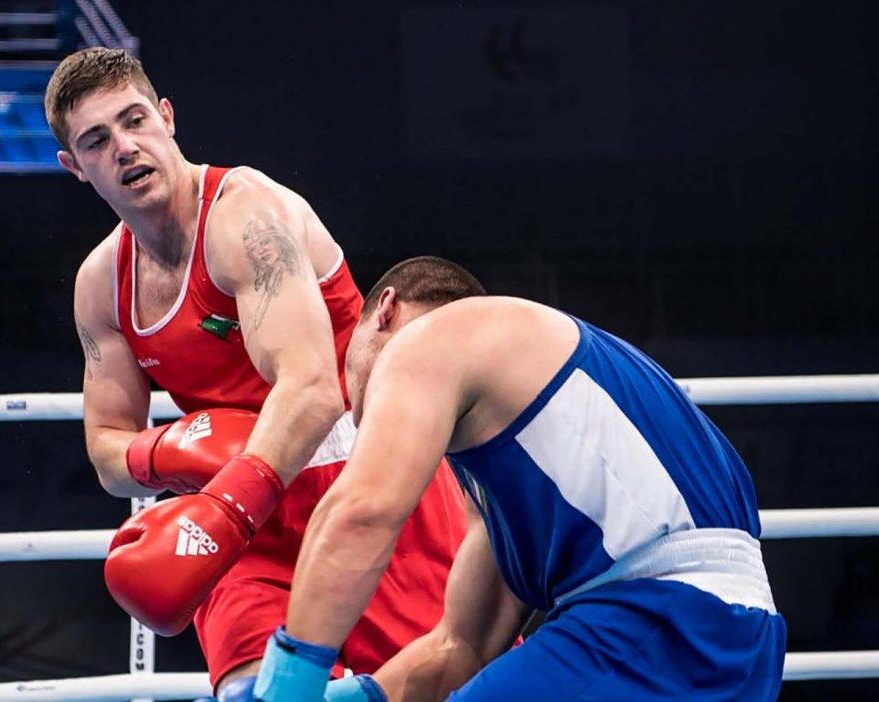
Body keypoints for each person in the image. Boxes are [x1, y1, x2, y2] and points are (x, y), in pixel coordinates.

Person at [42, 49, 466, 693]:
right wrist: (172, 447)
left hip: (368, 481)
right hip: (244, 510)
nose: (125, 148)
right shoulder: (101, 285)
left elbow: (313, 390)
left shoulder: (246, 217)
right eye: (98, 140)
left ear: (167, 118)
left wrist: (225, 505)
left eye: (134, 122)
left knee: (441, 682)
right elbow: (106, 450)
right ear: (75, 166)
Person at [238, 256, 787, 701]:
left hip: (664, 619)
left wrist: (290, 685)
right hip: (733, 638)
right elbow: (463, 646)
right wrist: (359, 696)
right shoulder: (511, 469)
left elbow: (361, 513)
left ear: (383, 311)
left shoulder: (428, 338)